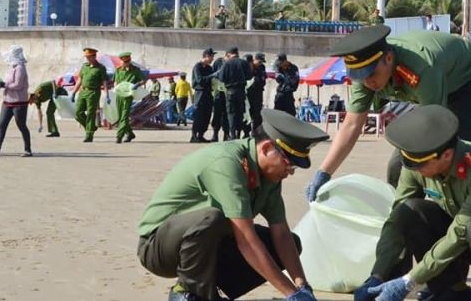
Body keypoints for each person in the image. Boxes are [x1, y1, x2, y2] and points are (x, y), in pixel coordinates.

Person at [354, 105, 471, 301]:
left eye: (420, 165)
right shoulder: (417, 161)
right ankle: (451, 291)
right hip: (465, 236)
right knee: (409, 212)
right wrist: (378, 276)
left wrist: (410, 280)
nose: (415, 170)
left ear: (446, 155)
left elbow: (460, 232)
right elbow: (396, 222)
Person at [137, 109, 329, 301]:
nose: (290, 172)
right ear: (266, 148)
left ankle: (208, 288)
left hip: (208, 246)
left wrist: (302, 285)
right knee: (212, 219)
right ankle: (189, 292)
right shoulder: (227, 164)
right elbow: (246, 240)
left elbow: (282, 234)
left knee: (291, 243)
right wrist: (291, 294)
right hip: (158, 248)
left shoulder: (270, 176)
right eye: (288, 164)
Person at [305, 25, 471, 201]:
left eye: (371, 74)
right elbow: (352, 125)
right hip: (431, 93)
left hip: (468, 85)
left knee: (449, 158)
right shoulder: (364, 75)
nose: (367, 82)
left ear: (388, 58)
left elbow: (435, 130)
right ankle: (402, 215)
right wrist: (324, 172)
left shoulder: (421, 66)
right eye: (360, 77)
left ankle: (459, 213)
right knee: (398, 165)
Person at [0, 45, 32, 158]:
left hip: (19, 101)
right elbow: (9, 81)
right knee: (2, 124)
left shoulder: (20, 67)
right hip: (8, 100)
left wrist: (4, 85)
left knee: (21, 125)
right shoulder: (12, 67)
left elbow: (18, 84)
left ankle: (28, 149)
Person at [71, 48, 110, 143]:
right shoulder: (84, 66)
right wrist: (73, 92)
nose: (87, 59)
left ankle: (89, 134)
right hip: (83, 92)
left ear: (94, 56)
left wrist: (107, 94)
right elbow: (80, 80)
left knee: (90, 114)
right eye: (86, 57)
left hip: (94, 93)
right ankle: (91, 127)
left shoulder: (101, 68)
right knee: (77, 113)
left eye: (89, 57)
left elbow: (104, 82)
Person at [114, 52, 146, 144]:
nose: (126, 63)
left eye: (128, 61)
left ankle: (119, 136)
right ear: (121, 62)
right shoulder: (118, 70)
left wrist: (137, 84)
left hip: (128, 95)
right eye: (124, 61)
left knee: (124, 116)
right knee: (121, 117)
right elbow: (115, 82)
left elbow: (143, 80)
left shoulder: (135, 70)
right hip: (119, 94)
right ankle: (130, 133)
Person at [220, 47, 251, 140]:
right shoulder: (244, 63)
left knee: (231, 113)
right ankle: (238, 133)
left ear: (229, 54)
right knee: (240, 113)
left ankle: (232, 134)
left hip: (230, 91)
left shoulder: (226, 63)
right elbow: (249, 76)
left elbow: (221, 78)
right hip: (241, 91)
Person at [191, 48, 217, 143]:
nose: (212, 59)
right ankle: (194, 136)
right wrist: (212, 76)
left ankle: (201, 135)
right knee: (199, 115)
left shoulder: (209, 68)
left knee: (207, 115)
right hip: (200, 93)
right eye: (211, 56)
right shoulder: (198, 67)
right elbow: (199, 80)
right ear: (206, 56)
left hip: (208, 93)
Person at [246, 52, 268, 135]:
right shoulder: (248, 67)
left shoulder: (262, 67)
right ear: (254, 60)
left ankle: (256, 132)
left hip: (258, 93)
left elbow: (263, 79)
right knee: (248, 113)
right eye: (259, 61)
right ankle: (246, 132)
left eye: (261, 62)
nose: (260, 63)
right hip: (249, 94)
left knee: (257, 114)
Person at [211, 54, 230, 141]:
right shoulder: (218, 62)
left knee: (227, 114)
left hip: (228, 92)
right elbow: (213, 75)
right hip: (218, 92)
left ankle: (226, 134)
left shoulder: (232, 63)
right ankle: (215, 134)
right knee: (217, 114)